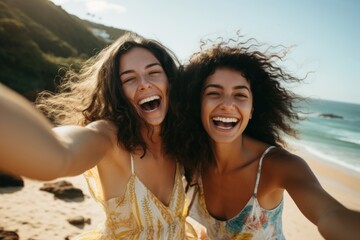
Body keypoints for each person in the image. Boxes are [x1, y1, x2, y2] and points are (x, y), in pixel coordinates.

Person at [0, 33, 189, 239]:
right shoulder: (109, 137)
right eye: (129, 78)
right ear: (117, 92)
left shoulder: (181, 142)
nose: (144, 84)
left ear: (170, 81)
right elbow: (62, 154)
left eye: (153, 72)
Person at [169, 36, 360, 240]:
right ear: (198, 105)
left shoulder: (278, 165)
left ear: (252, 110)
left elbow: (329, 213)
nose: (227, 104)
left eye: (240, 95)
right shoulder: (191, 160)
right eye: (214, 93)